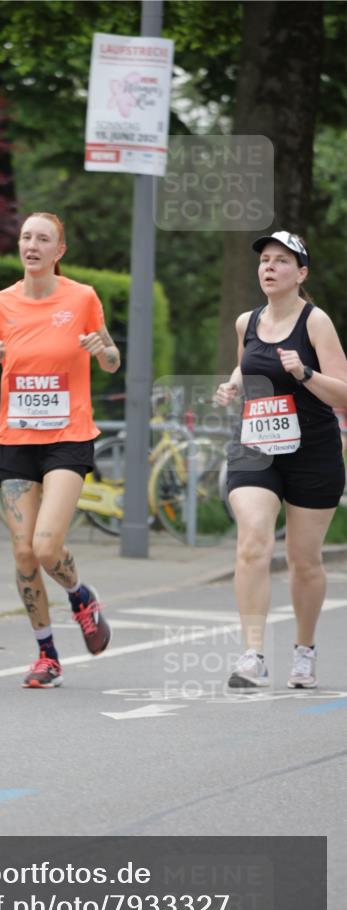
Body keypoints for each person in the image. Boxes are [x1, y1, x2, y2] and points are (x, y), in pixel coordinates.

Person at [0, 212, 120, 688]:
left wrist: (100, 349)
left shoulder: (82, 297)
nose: (32, 245)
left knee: (46, 546)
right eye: (26, 237)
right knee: (23, 554)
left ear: (59, 252)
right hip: (16, 441)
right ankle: (47, 654)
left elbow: (112, 361)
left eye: (43, 239)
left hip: (68, 438)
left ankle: (81, 596)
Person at [215, 231, 347, 690]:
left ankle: (304, 652)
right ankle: (252, 654)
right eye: (264, 260)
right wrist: (233, 385)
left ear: (301, 273)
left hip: (312, 451)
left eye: (281, 261)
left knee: (304, 561)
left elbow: (344, 393)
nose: (269, 267)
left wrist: (305, 372)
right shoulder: (245, 322)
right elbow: (249, 366)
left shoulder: (316, 323)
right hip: (256, 447)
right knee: (253, 540)